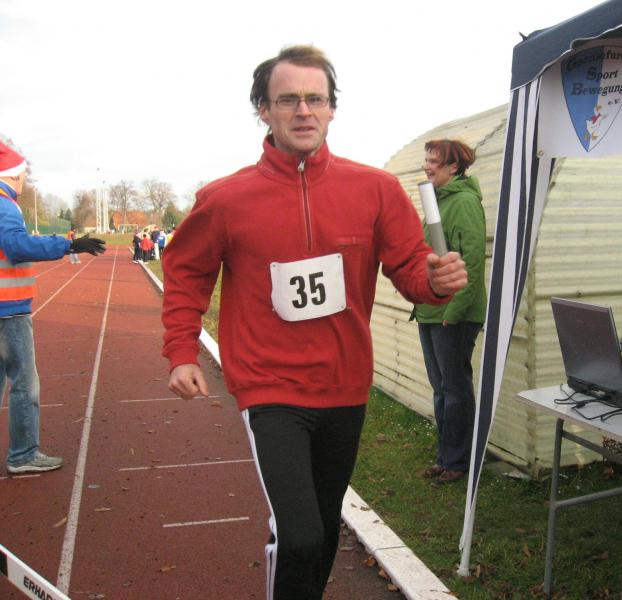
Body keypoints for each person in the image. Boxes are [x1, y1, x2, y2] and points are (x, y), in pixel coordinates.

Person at [161, 45, 467, 600]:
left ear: (332, 109)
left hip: (344, 385)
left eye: (315, 99)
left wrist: (435, 281)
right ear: (263, 110)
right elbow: (186, 271)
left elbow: (409, 267)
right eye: (288, 100)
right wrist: (182, 349)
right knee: (299, 534)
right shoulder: (226, 199)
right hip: (270, 386)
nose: (303, 111)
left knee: (322, 531)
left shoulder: (375, 189)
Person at [0, 140, 106, 474]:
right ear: (12, 174)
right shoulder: (4, 205)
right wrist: (68, 244)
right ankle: (23, 454)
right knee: (24, 384)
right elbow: (16, 245)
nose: (23, 179)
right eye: (22, 173)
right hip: (8, 310)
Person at [413, 139, 486, 485]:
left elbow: (472, 262)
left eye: (434, 161)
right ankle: (445, 457)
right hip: (429, 310)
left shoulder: (465, 203)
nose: (427, 166)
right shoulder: (435, 201)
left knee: (455, 388)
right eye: (426, 159)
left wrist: (453, 312)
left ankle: (459, 461)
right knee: (441, 388)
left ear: (453, 167)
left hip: (453, 313)